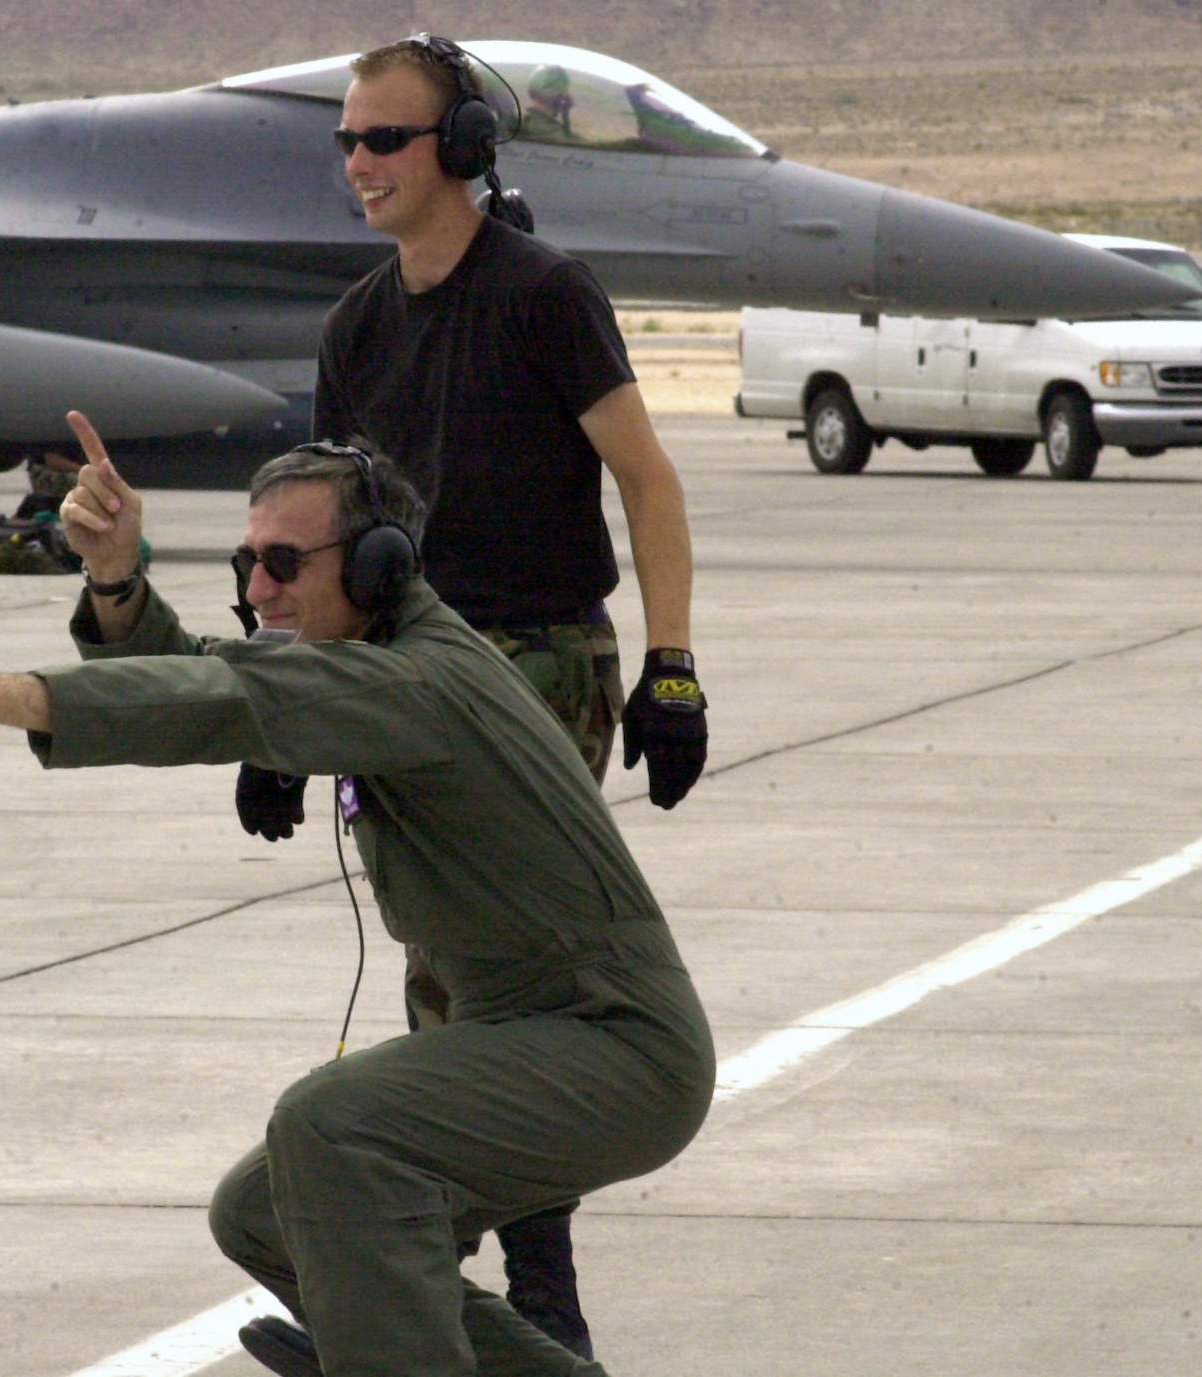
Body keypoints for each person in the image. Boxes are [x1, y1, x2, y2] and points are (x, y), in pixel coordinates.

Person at [0, 417, 715, 1377]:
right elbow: (216, 671)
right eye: (250, 562)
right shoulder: (389, 657)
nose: (259, 590)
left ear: (379, 566)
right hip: (529, 1029)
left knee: (333, 1127)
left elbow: (218, 700)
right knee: (262, 1210)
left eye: (285, 562)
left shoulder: (423, 679)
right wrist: (117, 579)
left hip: (613, 1040)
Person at [231, 34, 711, 1363]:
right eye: (346, 141)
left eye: (384, 139)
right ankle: (432, 1297)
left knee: (496, 982)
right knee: (442, 964)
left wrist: (670, 667)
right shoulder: (357, 326)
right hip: (406, 681)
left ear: (462, 153)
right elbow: (317, 536)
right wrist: (285, 710)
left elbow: (649, 480)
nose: (359, 164)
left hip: (538, 669)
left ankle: (496, 1297)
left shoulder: (543, 294)